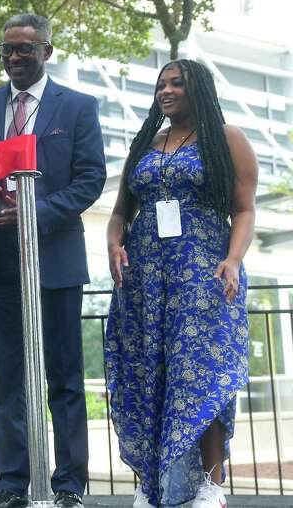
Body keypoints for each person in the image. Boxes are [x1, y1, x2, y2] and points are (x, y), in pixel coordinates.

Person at [0, 13, 105, 508]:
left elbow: (89, 179)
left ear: (47, 50)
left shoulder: (78, 107)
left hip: (55, 259)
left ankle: (68, 487)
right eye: (7, 50)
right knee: (7, 378)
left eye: (24, 49)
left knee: (63, 377)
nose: (14, 58)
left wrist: (35, 213)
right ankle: (10, 485)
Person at [104, 59, 257, 508]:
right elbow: (120, 212)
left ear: (199, 91)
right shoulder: (146, 144)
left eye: (176, 84)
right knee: (148, 374)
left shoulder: (227, 140)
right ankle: (152, 485)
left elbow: (244, 209)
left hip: (205, 272)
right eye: (160, 84)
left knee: (201, 374)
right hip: (145, 278)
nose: (165, 91)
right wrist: (113, 243)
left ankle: (210, 486)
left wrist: (233, 259)